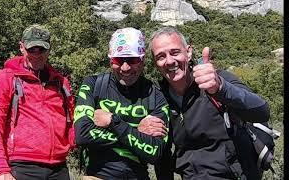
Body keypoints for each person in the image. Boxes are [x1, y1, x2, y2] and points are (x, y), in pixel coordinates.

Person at [139, 26, 270, 179]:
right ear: (155, 63)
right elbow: (163, 154)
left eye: (175, 52)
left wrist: (221, 88)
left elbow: (262, 111)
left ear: (188, 52)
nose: (169, 61)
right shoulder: (158, 96)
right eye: (161, 56)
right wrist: (140, 128)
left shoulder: (215, 79)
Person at [74, 27, 170, 179]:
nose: (125, 68)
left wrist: (113, 121)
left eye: (132, 60)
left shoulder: (156, 95)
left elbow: (155, 152)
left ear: (143, 60)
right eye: (118, 60)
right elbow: (82, 135)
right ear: (110, 59)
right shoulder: (93, 85)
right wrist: (135, 131)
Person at [0, 24, 75, 180]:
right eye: (31, 49)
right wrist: (0, 168)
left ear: (49, 49)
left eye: (42, 49)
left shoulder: (61, 83)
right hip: (21, 166)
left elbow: (71, 122)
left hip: (59, 168)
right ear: (21, 47)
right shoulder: (7, 78)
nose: (36, 54)